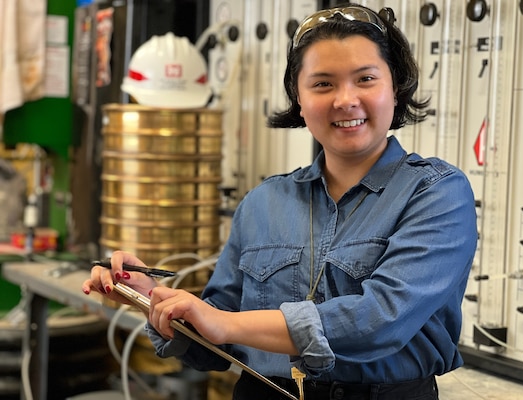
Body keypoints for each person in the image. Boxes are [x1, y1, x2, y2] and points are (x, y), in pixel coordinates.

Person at [82, 3, 478, 399]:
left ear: (396, 88)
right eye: (322, 84)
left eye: (366, 79)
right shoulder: (264, 202)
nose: (345, 99)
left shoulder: (436, 192)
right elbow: (217, 344)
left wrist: (225, 323)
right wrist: (151, 297)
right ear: (299, 99)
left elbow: (380, 319)